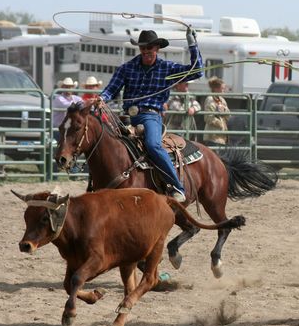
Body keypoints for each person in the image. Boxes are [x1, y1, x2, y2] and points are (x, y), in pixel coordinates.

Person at [97, 29, 203, 202]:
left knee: (153, 145)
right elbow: (111, 89)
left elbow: (197, 71)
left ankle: (177, 186)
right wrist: (102, 98)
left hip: (150, 116)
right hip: (126, 117)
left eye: (150, 47)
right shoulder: (127, 68)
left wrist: (192, 44)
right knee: (101, 141)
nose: (146, 50)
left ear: (157, 48)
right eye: (143, 47)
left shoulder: (167, 69)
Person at [203, 76, 230, 145]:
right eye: (222, 89)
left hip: (222, 136)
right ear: (216, 89)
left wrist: (224, 110)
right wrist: (220, 124)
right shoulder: (210, 99)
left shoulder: (222, 100)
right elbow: (208, 117)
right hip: (212, 136)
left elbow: (228, 115)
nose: (223, 91)